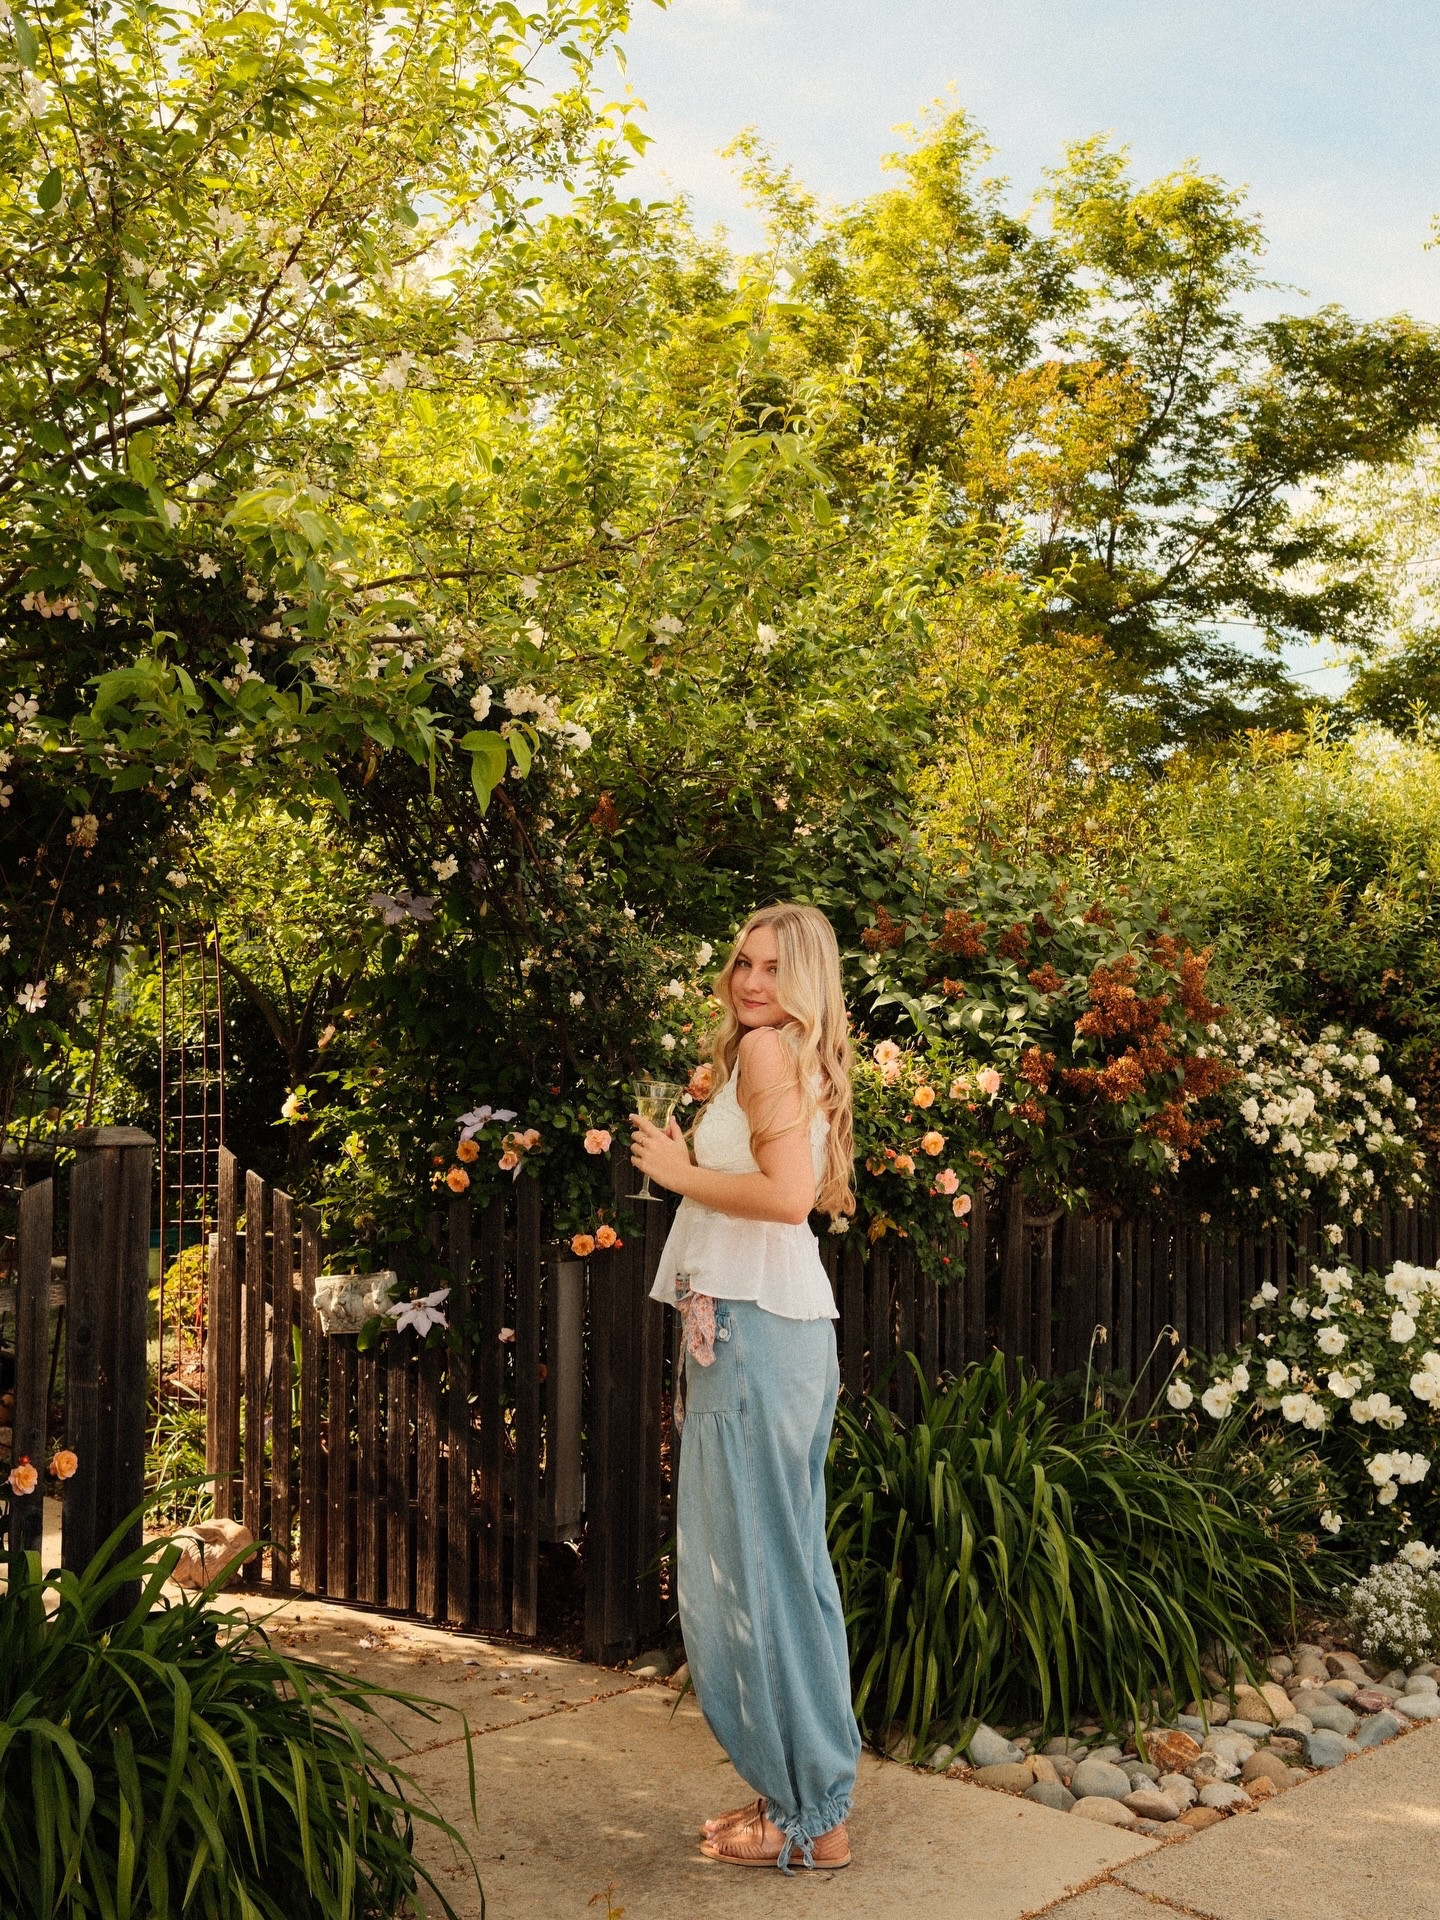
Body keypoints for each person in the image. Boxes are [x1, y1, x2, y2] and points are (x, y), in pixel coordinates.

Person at [629, 902, 861, 1872]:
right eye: (741, 963)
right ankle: (801, 1797)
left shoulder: (769, 1056)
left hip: (759, 1337)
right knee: (774, 1572)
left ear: (805, 979)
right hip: (762, 1332)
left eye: (774, 966)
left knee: (751, 1581)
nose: (751, 981)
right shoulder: (772, 1053)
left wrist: (679, 1170)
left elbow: (787, 1197)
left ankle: (810, 1817)